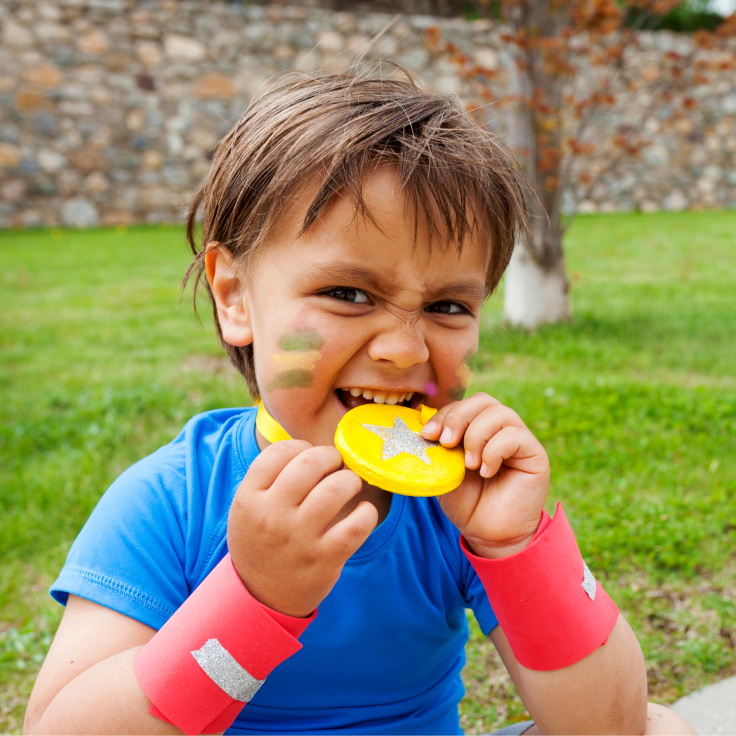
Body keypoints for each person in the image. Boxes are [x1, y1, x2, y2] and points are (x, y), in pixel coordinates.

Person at [24, 72, 695, 736]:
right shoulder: (174, 499)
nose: (405, 349)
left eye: (447, 306)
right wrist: (253, 601)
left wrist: (515, 547)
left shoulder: (455, 505)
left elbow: (608, 728)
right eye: (348, 293)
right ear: (234, 295)